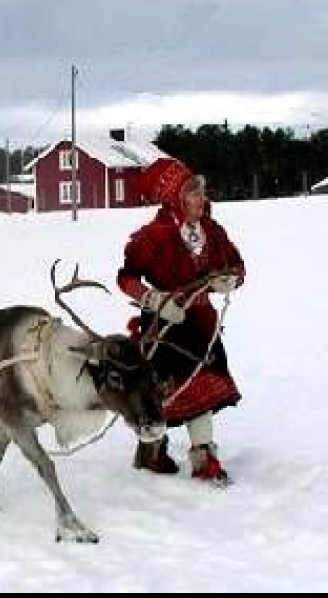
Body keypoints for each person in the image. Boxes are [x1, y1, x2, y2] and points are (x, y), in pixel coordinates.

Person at [117, 158, 245, 484]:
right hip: (165, 326)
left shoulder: (212, 232)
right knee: (163, 391)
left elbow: (236, 265)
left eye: (201, 191)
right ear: (175, 197)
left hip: (202, 323)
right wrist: (154, 300)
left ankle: (204, 457)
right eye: (193, 193)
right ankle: (152, 451)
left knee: (201, 386)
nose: (202, 198)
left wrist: (229, 280)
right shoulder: (152, 237)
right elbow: (126, 278)